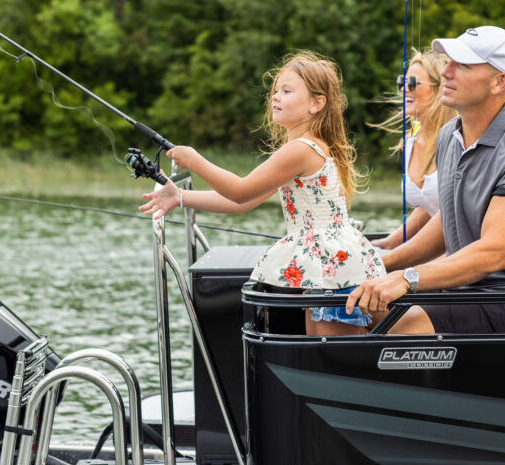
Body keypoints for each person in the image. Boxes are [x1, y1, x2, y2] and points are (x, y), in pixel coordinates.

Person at [345, 26, 505, 334]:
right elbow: (449, 220)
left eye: (463, 65)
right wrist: (379, 266)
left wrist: (406, 278)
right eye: (448, 61)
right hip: (466, 292)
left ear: (500, 82)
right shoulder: (449, 135)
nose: (447, 72)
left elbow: (495, 251)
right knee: (342, 307)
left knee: (401, 326)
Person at [140, 51, 385, 336]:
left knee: (332, 358)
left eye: (287, 91)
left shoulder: (300, 149)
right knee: (326, 352)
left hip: (328, 267)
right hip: (329, 262)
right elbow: (243, 202)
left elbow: (240, 191)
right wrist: (179, 196)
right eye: (276, 91)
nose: (276, 97)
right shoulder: (306, 147)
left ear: (317, 104)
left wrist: (195, 161)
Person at [371, 49, 457, 249]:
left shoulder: (459, 141)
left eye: (412, 83)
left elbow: (452, 213)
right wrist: (388, 243)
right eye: (402, 82)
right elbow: (429, 207)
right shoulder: (409, 141)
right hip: (431, 254)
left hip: (456, 257)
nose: (404, 89)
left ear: (440, 88)